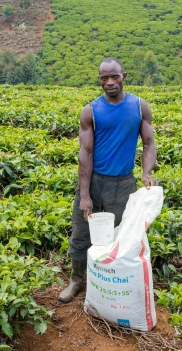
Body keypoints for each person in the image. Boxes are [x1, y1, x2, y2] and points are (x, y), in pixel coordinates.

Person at [58, 57, 157, 303]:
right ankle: (77, 280)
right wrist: (84, 195)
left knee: (120, 236)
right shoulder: (90, 111)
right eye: (104, 78)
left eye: (114, 76)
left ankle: (111, 284)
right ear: (100, 80)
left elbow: (149, 143)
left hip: (123, 184)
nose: (110, 82)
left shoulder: (139, 107)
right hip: (94, 181)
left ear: (124, 76)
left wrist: (146, 172)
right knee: (82, 233)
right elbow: (86, 154)